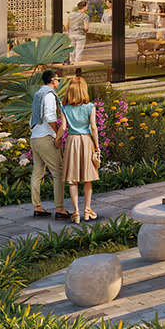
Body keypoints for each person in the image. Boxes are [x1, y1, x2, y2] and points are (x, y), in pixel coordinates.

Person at [60, 72, 100, 222]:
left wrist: (57, 139)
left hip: (72, 141)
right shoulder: (90, 107)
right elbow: (94, 127)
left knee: (72, 180)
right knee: (87, 179)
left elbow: (63, 127)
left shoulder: (64, 108)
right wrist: (97, 146)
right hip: (86, 141)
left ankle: (76, 212)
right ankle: (87, 210)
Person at [29, 69, 68, 220]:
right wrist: (58, 135)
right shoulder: (49, 95)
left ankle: (37, 207)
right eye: (58, 80)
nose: (58, 82)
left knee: (37, 173)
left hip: (35, 137)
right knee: (58, 172)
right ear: (52, 80)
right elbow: (51, 117)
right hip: (46, 137)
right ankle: (60, 209)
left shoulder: (38, 94)